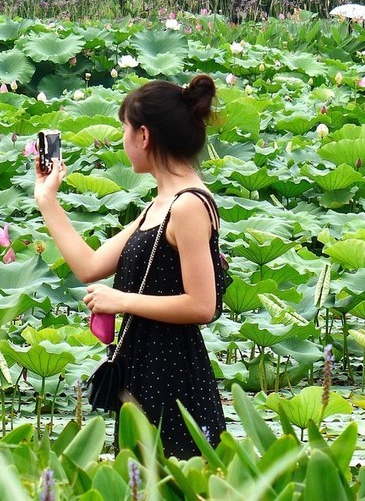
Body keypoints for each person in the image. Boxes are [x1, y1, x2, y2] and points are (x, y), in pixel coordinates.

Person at [34, 74, 227, 458]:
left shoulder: (188, 205)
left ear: (144, 136)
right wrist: (47, 199)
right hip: (145, 370)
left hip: (174, 379)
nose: (123, 140)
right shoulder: (159, 204)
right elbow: (89, 266)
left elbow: (201, 305)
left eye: (125, 129)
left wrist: (121, 300)